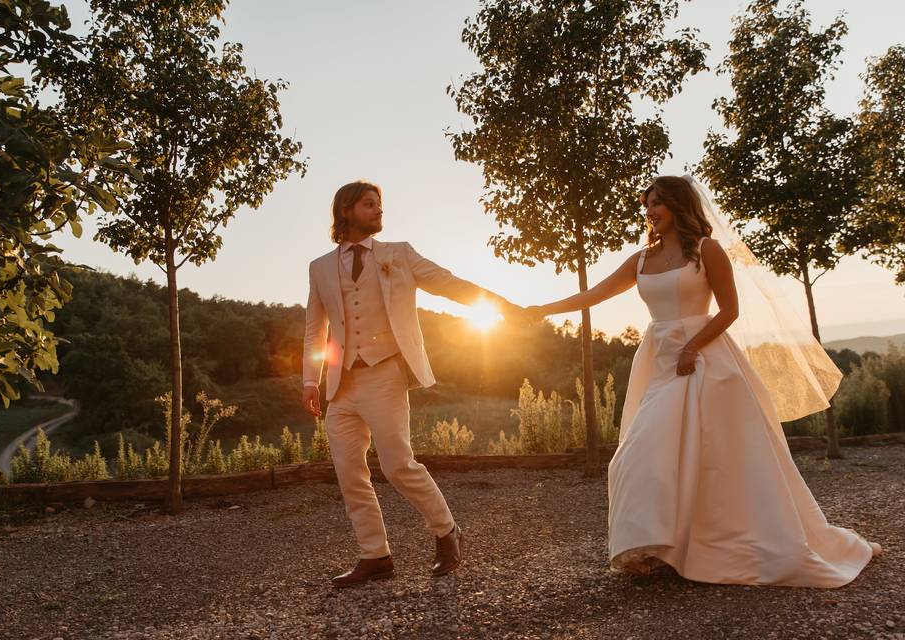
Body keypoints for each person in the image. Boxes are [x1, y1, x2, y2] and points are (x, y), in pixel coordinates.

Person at [523, 175, 880, 587]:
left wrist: (692, 348)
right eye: (647, 204)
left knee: (712, 457)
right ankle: (649, 546)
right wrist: (540, 309)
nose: (650, 211)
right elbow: (595, 294)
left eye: (657, 202)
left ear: (678, 204)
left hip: (707, 361)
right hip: (660, 360)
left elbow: (729, 310)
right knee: (639, 451)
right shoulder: (641, 259)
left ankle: (705, 545)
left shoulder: (707, 251)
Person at [302, 180, 521, 587]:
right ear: (346, 210)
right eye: (369, 205)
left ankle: (445, 532)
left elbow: (447, 281)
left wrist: (498, 304)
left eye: (380, 204)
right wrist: (309, 381)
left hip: (385, 373)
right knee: (349, 472)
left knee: (398, 464)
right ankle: (375, 555)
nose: (379, 211)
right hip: (341, 385)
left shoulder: (398, 255)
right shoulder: (319, 267)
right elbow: (316, 328)